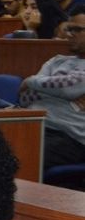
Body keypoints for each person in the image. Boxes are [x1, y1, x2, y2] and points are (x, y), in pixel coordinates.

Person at [19, 9, 85, 173]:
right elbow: (25, 98)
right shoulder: (56, 61)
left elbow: (68, 87)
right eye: (68, 29)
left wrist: (32, 81)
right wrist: (55, 90)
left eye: (77, 30)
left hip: (69, 137)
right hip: (32, 124)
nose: (69, 34)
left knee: (19, 155)